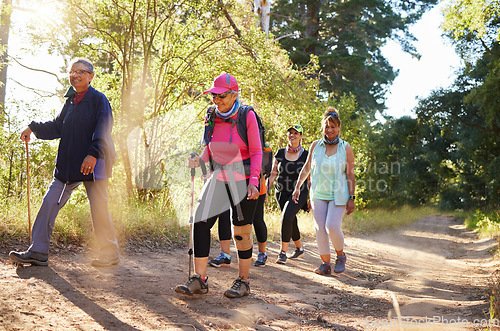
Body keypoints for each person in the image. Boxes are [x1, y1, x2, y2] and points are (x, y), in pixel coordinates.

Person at [9, 58, 119, 268]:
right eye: (72, 71)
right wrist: (33, 128)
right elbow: (58, 127)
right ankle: (38, 251)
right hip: (69, 166)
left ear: (90, 76)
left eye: (81, 71)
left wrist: (93, 154)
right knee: (50, 201)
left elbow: (104, 127)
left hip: (94, 164)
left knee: (99, 208)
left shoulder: (98, 100)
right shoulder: (70, 101)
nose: (75, 75)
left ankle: (109, 252)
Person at [175, 73, 262, 298]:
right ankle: (199, 279)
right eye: (213, 95)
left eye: (221, 95)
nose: (216, 100)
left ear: (234, 94)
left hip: (243, 180)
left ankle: (243, 281)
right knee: (200, 221)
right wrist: (200, 160)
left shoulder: (247, 116)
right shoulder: (212, 115)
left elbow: (256, 152)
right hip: (219, 177)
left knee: (241, 232)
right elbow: (209, 147)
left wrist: (254, 182)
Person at [292, 108, 355, 275]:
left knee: (332, 226)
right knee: (320, 228)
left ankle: (340, 256)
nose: (330, 130)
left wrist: (352, 197)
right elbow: (306, 168)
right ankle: (325, 264)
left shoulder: (345, 148)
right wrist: (298, 186)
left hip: (338, 194)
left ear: (339, 127)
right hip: (318, 193)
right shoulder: (315, 146)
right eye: (327, 127)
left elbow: (350, 173)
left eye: (333, 127)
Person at [267, 124, 310, 264]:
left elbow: (310, 178)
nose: (292, 135)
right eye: (290, 133)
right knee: (291, 220)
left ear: (301, 136)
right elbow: (273, 174)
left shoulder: (306, 155)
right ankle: (299, 249)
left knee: (286, 217)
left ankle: (282, 253)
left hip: (299, 193)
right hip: (281, 192)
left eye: (296, 133)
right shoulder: (280, 153)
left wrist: (311, 198)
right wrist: (266, 189)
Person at [209, 175, 268, 268]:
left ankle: (262, 253)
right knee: (224, 213)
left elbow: (265, 169)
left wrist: (257, 185)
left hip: (255, 186)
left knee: (257, 220)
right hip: (232, 184)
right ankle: (225, 255)